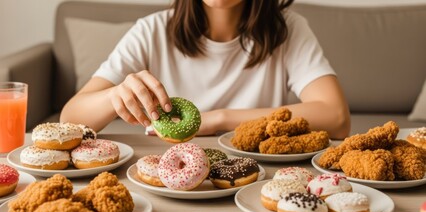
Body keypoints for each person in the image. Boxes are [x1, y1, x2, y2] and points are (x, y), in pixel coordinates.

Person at [60, 0, 351, 139]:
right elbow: (70, 118)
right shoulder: (151, 31)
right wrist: (115, 95)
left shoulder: (288, 29)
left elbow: (336, 116)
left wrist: (219, 119)